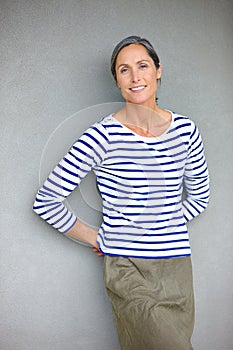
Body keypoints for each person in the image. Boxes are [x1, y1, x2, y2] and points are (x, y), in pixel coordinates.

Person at [33, 35, 210, 350]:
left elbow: (199, 198)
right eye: (124, 70)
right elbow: (46, 201)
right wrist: (101, 238)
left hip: (178, 270)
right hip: (129, 270)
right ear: (116, 80)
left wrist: (161, 224)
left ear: (158, 70)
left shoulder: (186, 131)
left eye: (142, 66)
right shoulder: (101, 136)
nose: (135, 76)